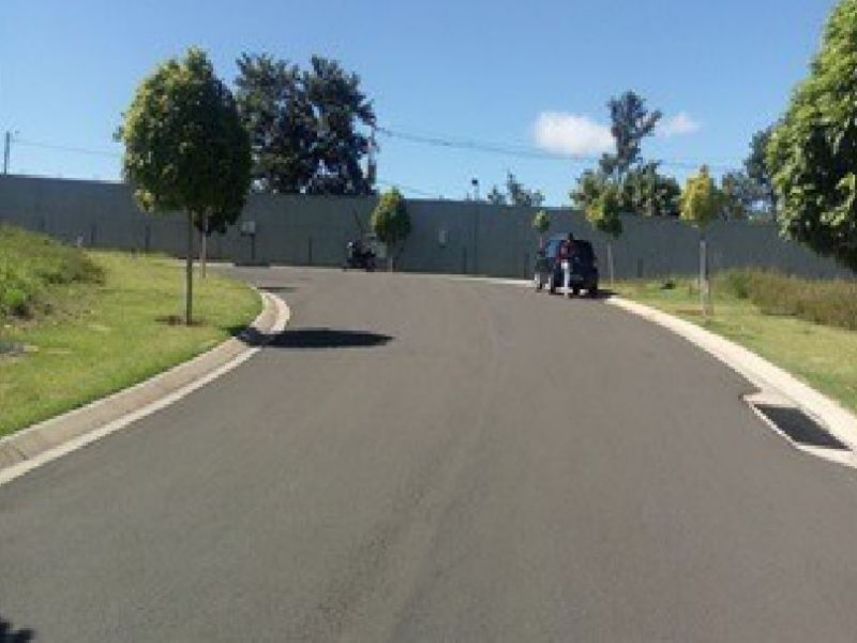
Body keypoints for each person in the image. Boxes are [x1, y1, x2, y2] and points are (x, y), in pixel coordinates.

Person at [558, 233, 575, 297]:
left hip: (564, 262)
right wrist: (571, 256)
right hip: (567, 262)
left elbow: (560, 254)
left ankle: (566, 291)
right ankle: (566, 292)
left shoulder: (563, 245)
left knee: (566, 277)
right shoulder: (569, 246)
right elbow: (569, 254)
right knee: (567, 277)